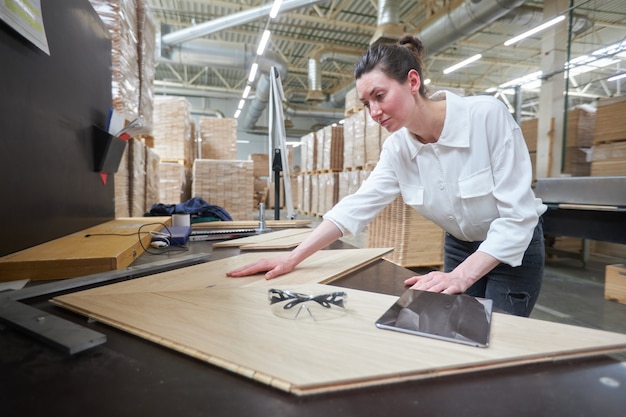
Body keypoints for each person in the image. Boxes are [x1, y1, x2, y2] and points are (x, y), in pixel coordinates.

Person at [227, 34, 547, 317]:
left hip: (514, 250)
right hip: (461, 246)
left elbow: (518, 217)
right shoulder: (397, 149)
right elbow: (357, 206)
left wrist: (461, 276)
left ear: (412, 82)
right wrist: (291, 258)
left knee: (496, 339)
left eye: (380, 97)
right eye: (367, 103)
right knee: (459, 331)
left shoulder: (487, 117)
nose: (374, 113)